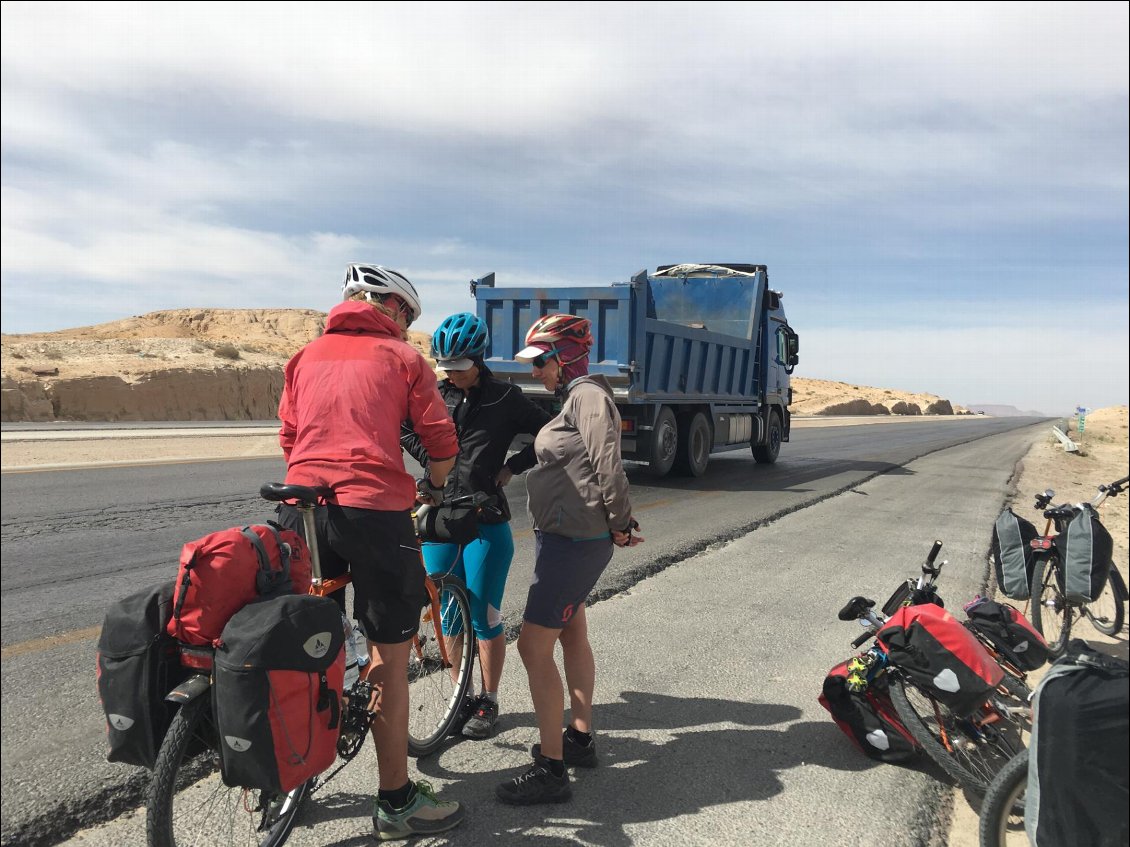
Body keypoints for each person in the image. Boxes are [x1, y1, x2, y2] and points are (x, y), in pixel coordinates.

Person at [275, 263, 466, 840]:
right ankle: (396, 802)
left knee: (307, 639)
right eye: (408, 315)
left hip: (300, 506)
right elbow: (439, 439)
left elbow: (289, 436)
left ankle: (291, 775)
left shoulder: (305, 357)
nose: (408, 327)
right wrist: (435, 483)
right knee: (389, 649)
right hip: (373, 511)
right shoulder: (402, 360)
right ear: (391, 308)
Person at [495, 313, 643, 805]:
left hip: (573, 542)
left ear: (566, 355)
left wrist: (621, 522)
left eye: (541, 361)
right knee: (573, 631)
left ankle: (552, 769)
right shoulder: (575, 399)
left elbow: (607, 462)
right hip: (565, 536)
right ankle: (579, 738)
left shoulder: (588, 397)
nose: (536, 371)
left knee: (532, 648)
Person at [401, 311, 553, 740]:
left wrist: (512, 467)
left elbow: (548, 432)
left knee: (483, 615)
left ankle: (487, 698)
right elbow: (402, 427)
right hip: (440, 517)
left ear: (478, 359)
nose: (453, 375)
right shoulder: (434, 393)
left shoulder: (506, 398)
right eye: (446, 367)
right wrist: (432, 462)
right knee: (448, 612)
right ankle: (459, 697)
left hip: (486, 518)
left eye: (460, 368)